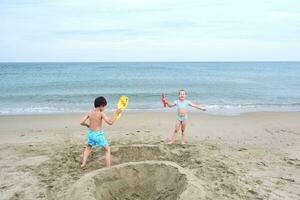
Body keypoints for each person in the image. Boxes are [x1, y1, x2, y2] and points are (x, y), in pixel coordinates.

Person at [80, 96, 122, 168]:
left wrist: (87, 125)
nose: (104, 108)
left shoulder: (90, 112)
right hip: (97, 135)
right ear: (101, 105)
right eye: (104, 106)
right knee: (107, 149)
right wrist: (116, 114)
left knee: (88, 147)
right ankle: (109, 167)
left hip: (90, 133)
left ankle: (83, 164)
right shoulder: (101, 113)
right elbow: (110, 122)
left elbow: (81, 122)